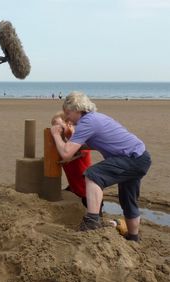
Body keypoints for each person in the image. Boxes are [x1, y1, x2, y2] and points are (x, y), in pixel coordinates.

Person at [50, 91, 151, 241]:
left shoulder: (87, 122)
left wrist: (56, 135)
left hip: (131, 158)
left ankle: (92, 221)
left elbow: (66, 153)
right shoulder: (96, 118)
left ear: (76, 109)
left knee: (93, 174)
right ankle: (133, 237)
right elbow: (91, 144)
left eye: (67, 113)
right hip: (140, 156)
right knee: (128, 199)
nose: (67, 117)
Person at [51, 111, 103, 215]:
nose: (55, 130)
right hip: (74, 187)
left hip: (88, 190)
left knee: (93, 215)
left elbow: (78, 153)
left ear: (69, 124)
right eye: (53, 126)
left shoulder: (78, 139)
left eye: (58, 125)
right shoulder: (62, 144)